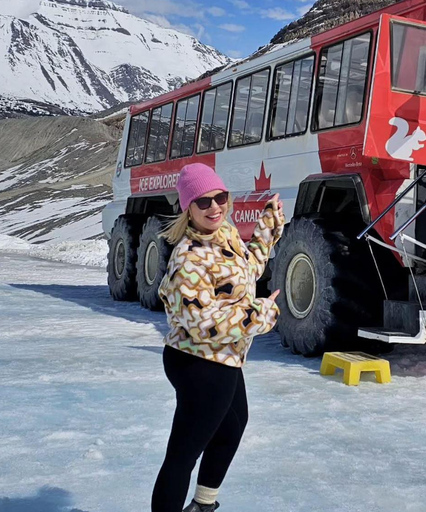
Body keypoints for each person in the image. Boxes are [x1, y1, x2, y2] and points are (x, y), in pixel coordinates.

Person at [151, 163, 284, 512]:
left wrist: (267, 227)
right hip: (198, 361)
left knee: (231, 429)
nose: (215, 207)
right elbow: (202, 323)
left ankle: (203, 505)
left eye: (220, 197)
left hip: (222, 358)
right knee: (182, 454)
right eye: (203, 202)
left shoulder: (224, 235)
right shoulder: (189, 259)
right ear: (188, 209)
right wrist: (259, 315)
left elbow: (245, 271)